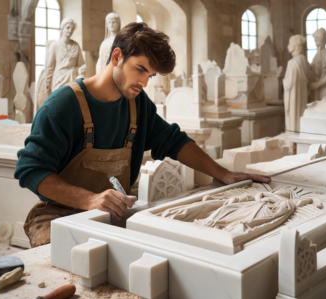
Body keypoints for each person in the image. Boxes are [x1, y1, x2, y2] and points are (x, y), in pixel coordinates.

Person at [15, 23, 270, 247]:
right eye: (140, 69)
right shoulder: (63, 106)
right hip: (57, 214)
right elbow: (30, 170)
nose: (145, 82)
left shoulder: (138, 104)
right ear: (117, 57)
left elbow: (173, 141)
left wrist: (223, 173)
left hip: (114, 210)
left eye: (150, 75)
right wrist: (91, 199)